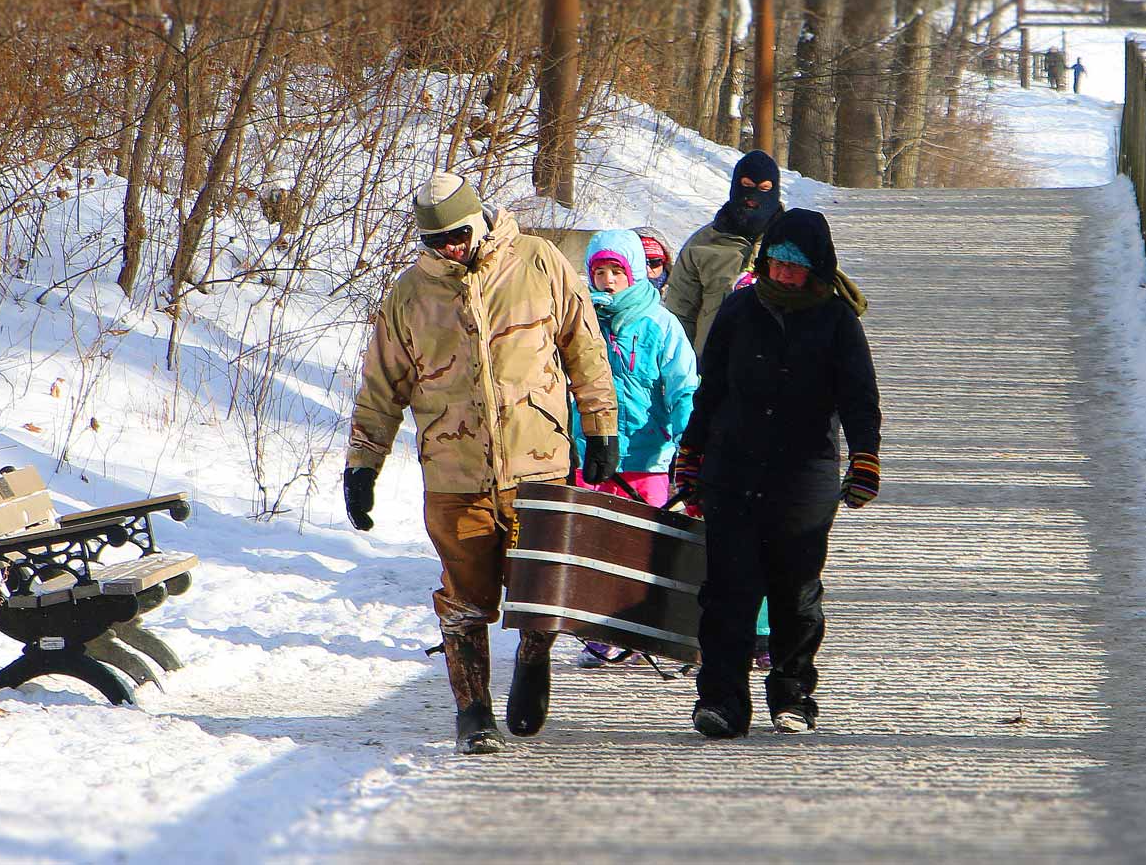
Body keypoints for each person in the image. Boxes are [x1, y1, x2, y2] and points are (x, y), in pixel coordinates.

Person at [343, 170, 619, 754]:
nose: (449, 248)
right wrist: (363, 463)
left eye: (457, 236)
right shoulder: (410, 295)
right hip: (453, 471)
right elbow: (381, 385)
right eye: (435, 241)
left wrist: (600, 426)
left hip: (538, 464)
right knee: (464, 600)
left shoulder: (539, 263)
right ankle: (473, 711)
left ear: (480, 221)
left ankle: (533, 659)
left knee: (539, 587)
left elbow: (584, 346)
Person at [673, 208, 882, 739]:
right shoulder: (740, 309)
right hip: (732, 469)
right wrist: (692, 453)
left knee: (795, 592)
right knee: (727, 591)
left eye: (797, 266)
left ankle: (792, 695)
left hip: (803, 476)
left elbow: (860, 399)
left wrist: (865, 458)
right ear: (764, 262)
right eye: (778, 263)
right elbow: (711, 390)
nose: (785, 274)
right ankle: (721, 701)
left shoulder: (837, 321)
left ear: (817, 268)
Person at [569, 228, 699, 667]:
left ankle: (642, 624)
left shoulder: (660, 324)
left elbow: (683, 387)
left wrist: (689, 442)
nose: (607, 281)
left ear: (635, 274)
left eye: (615, 272)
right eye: (599, 271)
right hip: (592, 452)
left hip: (648, 456)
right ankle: (598, 629)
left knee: (644, 545)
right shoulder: (579, 321)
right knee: (593, 545)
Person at [664, 150, 784, 358]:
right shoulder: (701, 245)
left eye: (764, 189)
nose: (754, 198)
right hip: (715, 370)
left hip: (779, 370)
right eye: (747, 186)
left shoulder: (793, 240)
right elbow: (680, 315)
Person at [637, 227, 674, 295]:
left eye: (654, 262)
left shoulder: (680, 293)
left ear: (664, 262)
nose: (647, 270)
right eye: (640, 263)